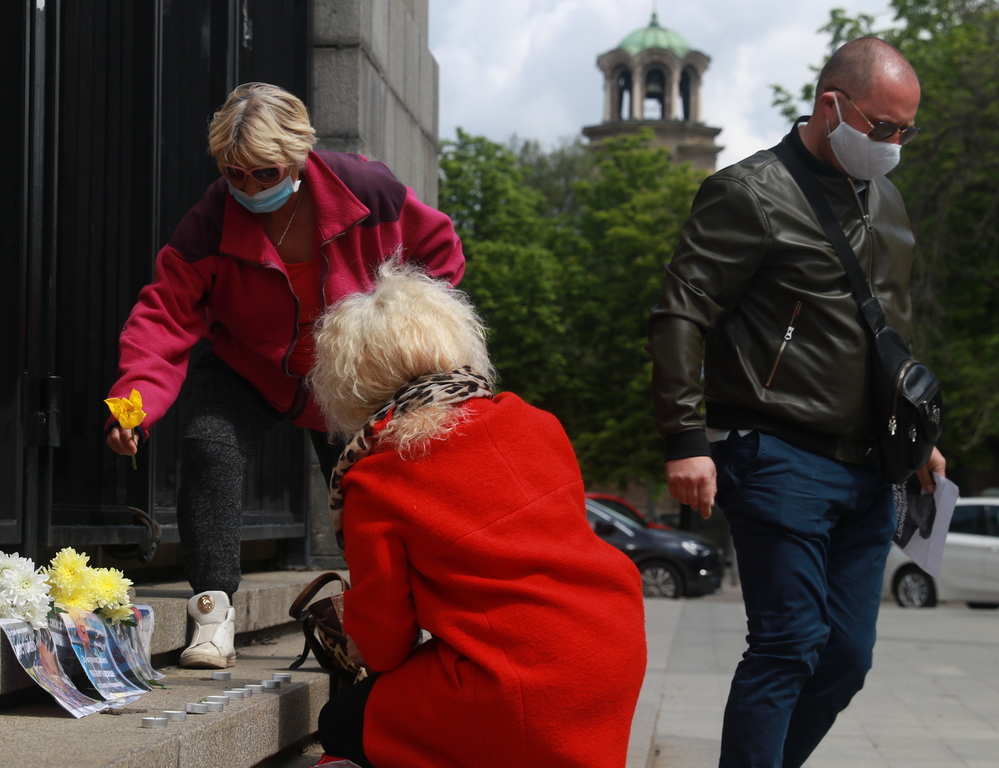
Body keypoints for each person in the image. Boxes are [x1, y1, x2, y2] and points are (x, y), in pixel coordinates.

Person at [647, 37, 946, 767]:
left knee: (846, 657)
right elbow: (681, 313)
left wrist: (918, 437)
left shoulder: (890, 198)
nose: (894, 144)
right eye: (882, 128)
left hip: (872, 465)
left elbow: (890, 333)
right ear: (831, 106)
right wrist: (685, 438)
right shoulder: (747, 192)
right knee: (788, 643)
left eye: (907, 131)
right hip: (777, 452)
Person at [104, 83, 464, 669]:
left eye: (264, 174)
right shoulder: (209, 222)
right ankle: (212, 616)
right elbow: (162, 317)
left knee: (373, 494)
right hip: (249, 367)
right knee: (208, 446)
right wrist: (129, 408)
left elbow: (440, 255)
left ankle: (389, 631)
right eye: (233, 174)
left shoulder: (370, 190)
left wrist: (405, 340)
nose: (247, 188)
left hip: (350, 374)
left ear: (298, 158)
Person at [309, 261, 647, 768]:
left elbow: (383, 644)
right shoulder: (537, 423)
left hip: (518, 683)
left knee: (341, 724)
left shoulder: (376, 478)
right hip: (611, 649)